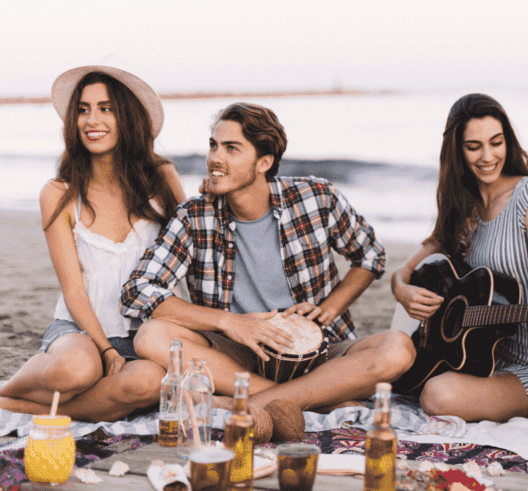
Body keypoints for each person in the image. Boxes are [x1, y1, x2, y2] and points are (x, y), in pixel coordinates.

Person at [121, 102, 415, 415]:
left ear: (264, 162)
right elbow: (138, 290)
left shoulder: (316, 198)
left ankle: (246, 403)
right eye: (213, 145)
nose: (215, 158)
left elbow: (370, 254)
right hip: (237, 359)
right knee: (151, 336)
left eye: (231, 148)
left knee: (397, 349)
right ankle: (315, 398)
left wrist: (329, 309)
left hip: (319, 352)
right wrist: (231, 322)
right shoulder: (195, 215)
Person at [0, 66, 186, 421]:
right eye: (83, 109)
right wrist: (106, 351)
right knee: (73, 373)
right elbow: (73, 290)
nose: (92, 120)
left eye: (106, 108)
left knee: (148, 384)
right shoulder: (59, 193)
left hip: (144, 334)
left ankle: (5, 403)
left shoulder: (161, 177)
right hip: (80, 330)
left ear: (127, 116)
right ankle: (4, 387)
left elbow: (195, 250)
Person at [391, 93, 528, 422]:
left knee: (436, 394)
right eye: (474, 146)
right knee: (407, 377)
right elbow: (408, 268)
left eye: (496, 142)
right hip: (486, 361)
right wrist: (402, 290)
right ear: (457, 151)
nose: (487, 156)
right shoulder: (463, 208)